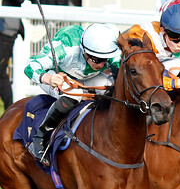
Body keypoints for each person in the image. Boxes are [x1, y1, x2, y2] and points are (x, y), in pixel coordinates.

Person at [23, 24, 121, 164]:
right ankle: (40, 139)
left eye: (105, 60)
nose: (101, 65)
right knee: (75, 93)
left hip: (85, 77)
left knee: (111, 90)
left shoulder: (110, 51)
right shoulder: (65, 47)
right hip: (56, 75)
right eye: (96, 60)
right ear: (84, 51)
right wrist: (49, 78)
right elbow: (30, 65)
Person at [124, 4, 180, 90]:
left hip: (156, 62)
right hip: (126, 67)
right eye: (175, 37)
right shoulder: (146, 40)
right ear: (162, 31)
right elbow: (146, 77)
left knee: (178, 67)